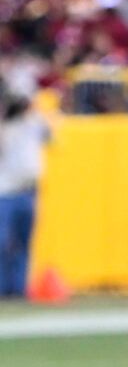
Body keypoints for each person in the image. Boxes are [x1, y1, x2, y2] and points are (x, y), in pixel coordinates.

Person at [0, 95, 51, 299]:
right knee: (3, 242)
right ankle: (3, 288)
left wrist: (33, 109)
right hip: (5, 192)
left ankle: (18, 289)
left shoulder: (33, 125)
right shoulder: (6, 130)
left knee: (24, 242)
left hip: (28, 191)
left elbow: (51, 134)